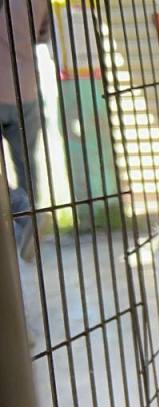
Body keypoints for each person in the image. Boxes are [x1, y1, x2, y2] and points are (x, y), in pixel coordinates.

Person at [1, 0, 50, 262]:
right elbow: (43, 34)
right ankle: (28, 224)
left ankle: (23, 214)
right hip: (25, 88)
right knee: (26, 163)